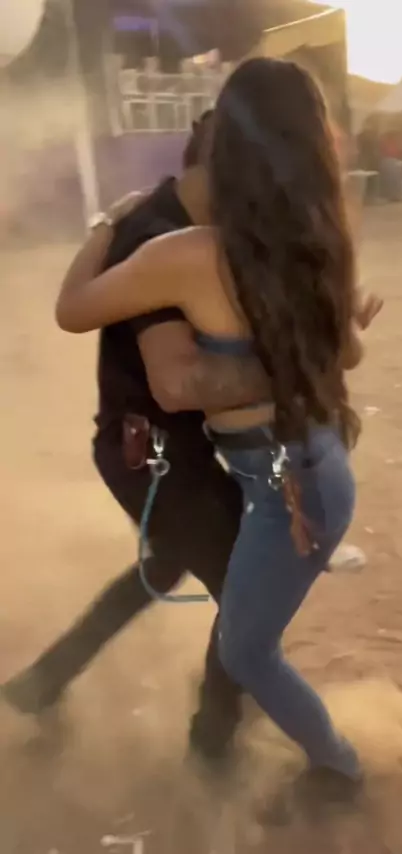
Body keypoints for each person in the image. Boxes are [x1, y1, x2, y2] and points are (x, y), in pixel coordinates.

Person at [55, 57, 382, 804]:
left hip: (287, 486)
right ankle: (256, 742)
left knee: (247, 649)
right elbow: (348, 356)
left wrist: (108, 223)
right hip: (313, 470)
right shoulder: (323, 239)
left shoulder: (186, 254)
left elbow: (72, 309)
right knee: (240, 633)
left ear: (222, 142)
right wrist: (320, 344)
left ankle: (336, 768)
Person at [1, 112, 270, 764]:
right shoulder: (156, 237)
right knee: (250, 589)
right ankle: (214, 740)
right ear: (221, 164)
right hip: (150, 454)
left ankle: (43, 682)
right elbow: (177, 385)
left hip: (165, 446)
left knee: (170, 563)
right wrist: (296, 370)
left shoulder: (178, 222)